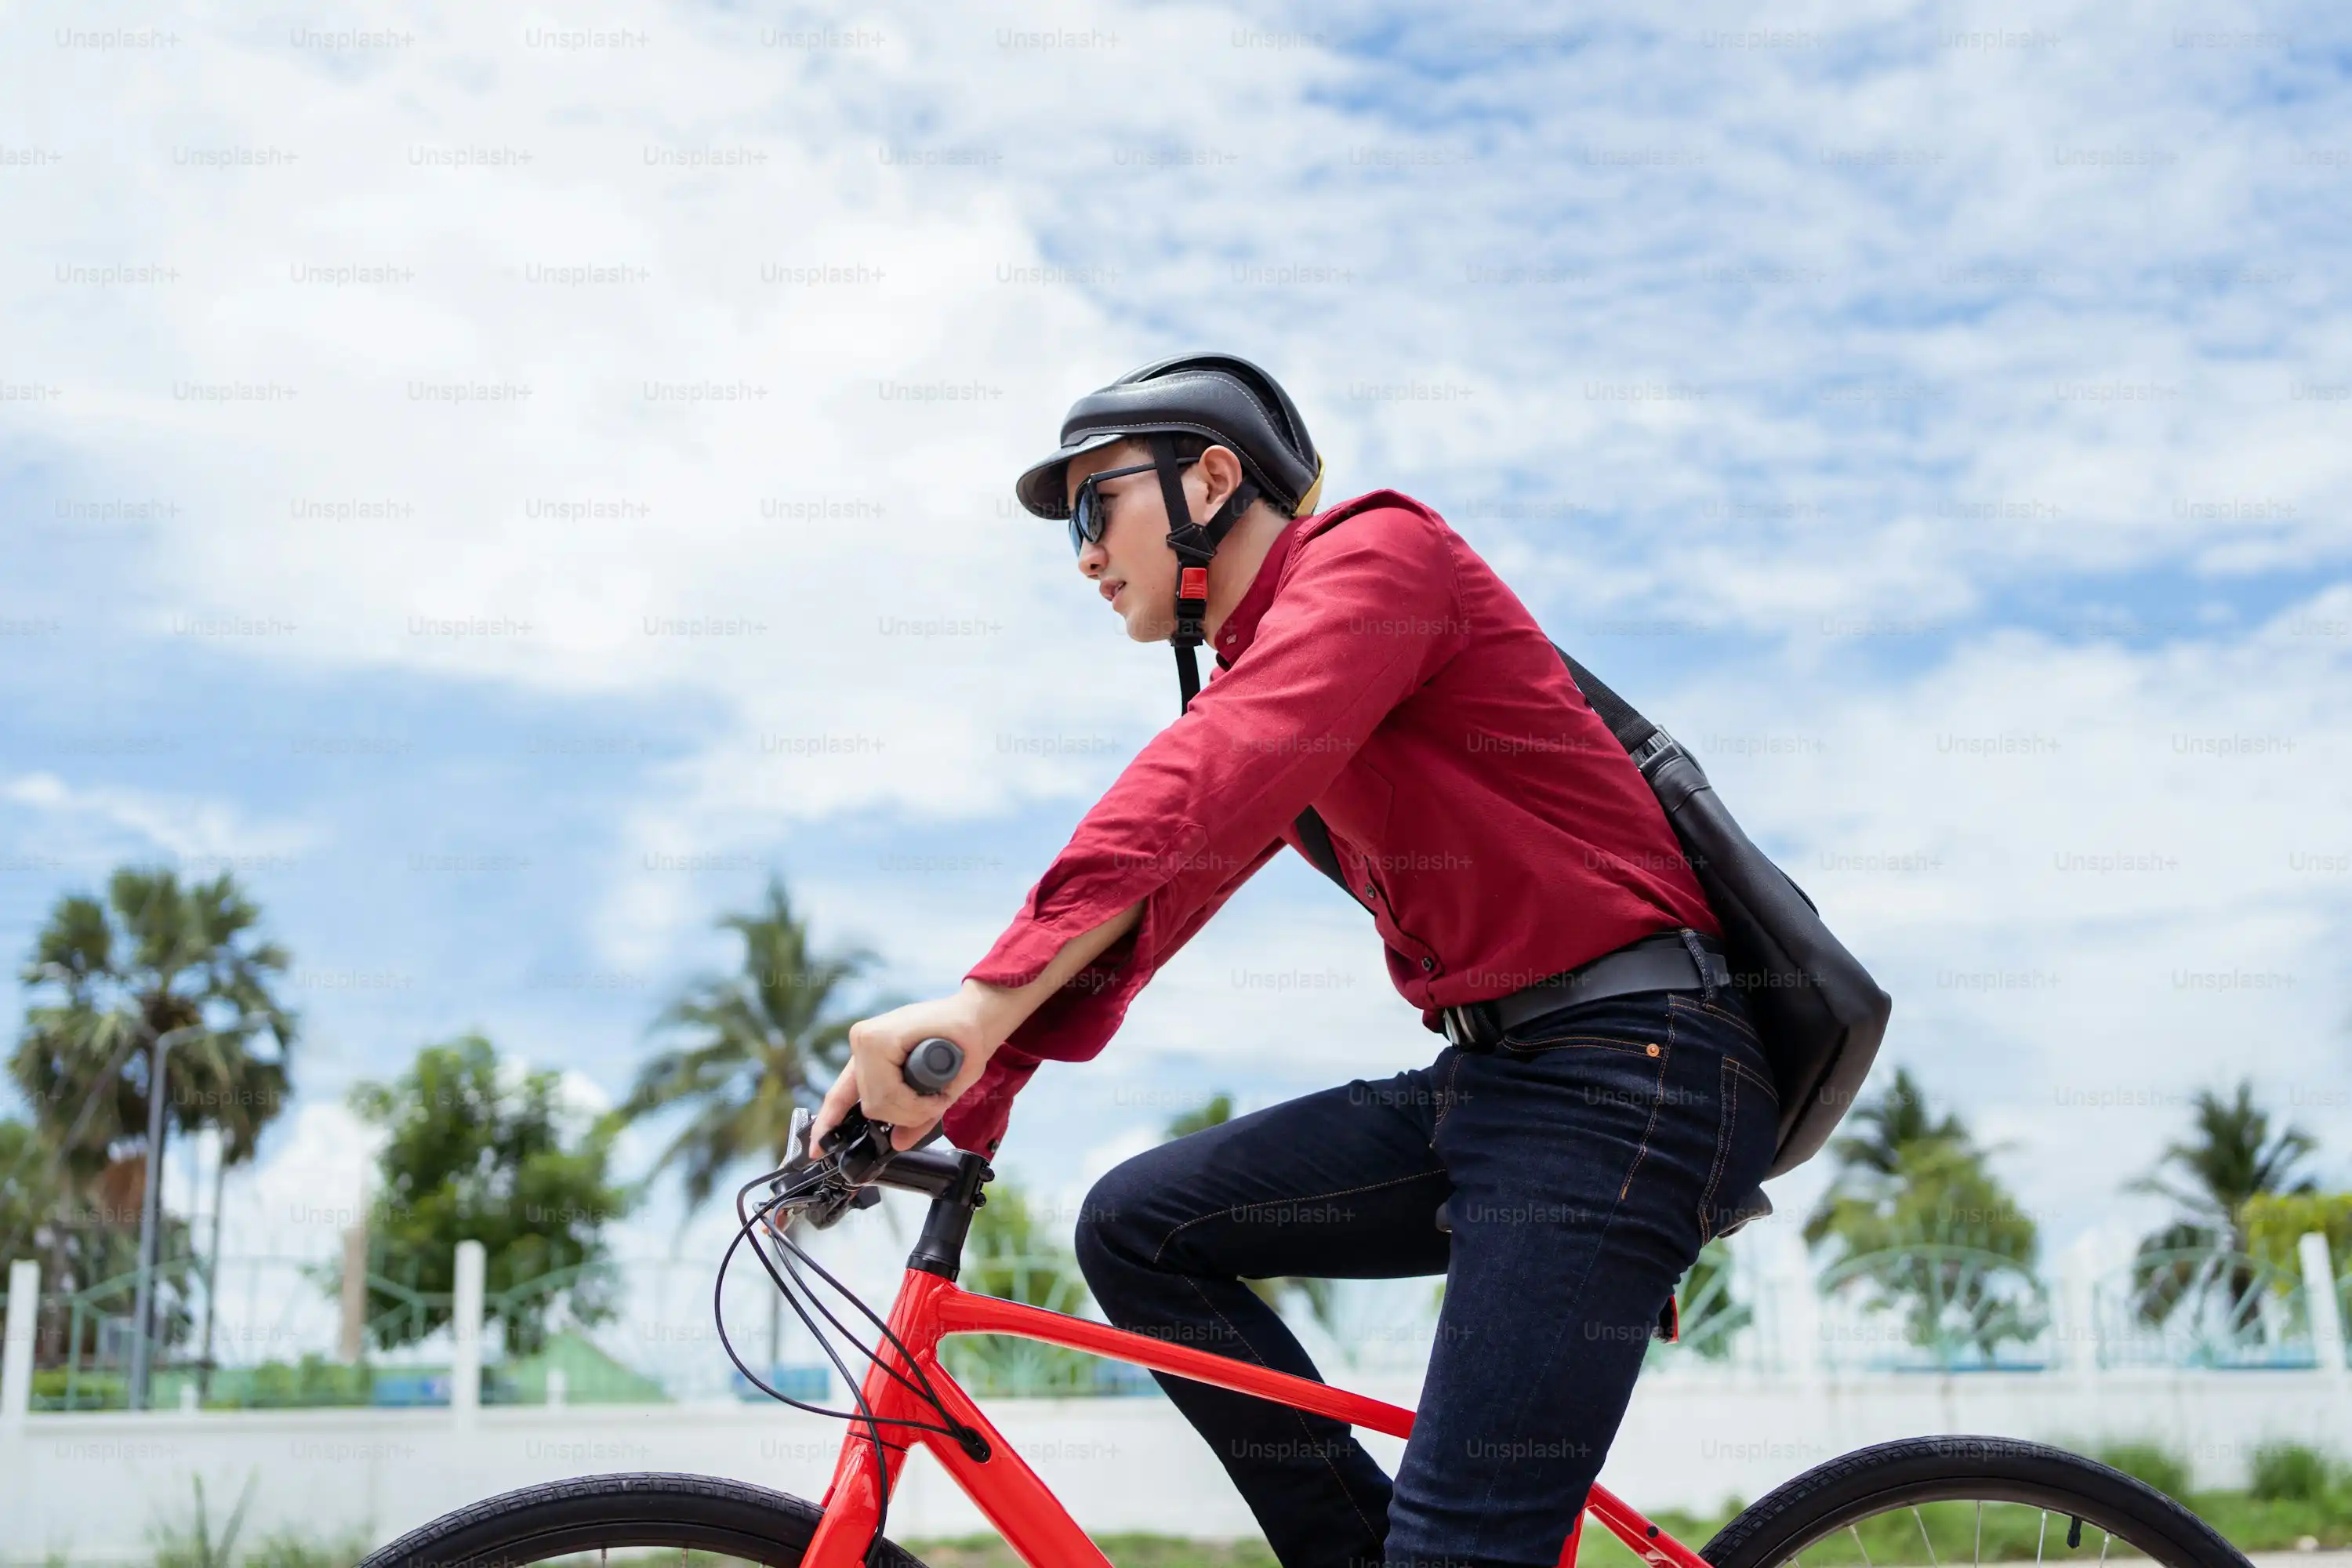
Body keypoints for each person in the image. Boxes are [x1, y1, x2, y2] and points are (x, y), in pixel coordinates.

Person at [813, 354, 1778, 1568]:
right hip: (1512, 1082)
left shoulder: (1383, 558)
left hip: (1633, 1076)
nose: (1084, 555)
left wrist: (965, 1005)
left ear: (1210, 478)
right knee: (1139, 1228)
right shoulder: (1274, 676)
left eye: (1092, 506)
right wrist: (964, 1091)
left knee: (1463, 1550)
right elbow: (1155, 899)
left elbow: (1208, 775)